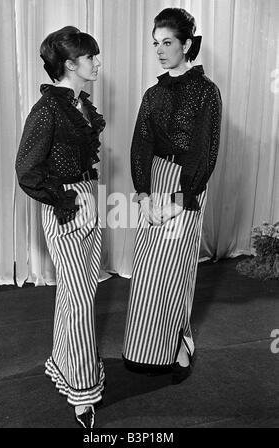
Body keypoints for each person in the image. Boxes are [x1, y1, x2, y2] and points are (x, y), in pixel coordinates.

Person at [123, 8, 222, 384]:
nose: (161, 51)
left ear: (186, 45)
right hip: (157, 181)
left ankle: (178, 344)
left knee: (174, 270)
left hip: (188, 185)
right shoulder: (153, 94)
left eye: (167, 43)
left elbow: (206, 150)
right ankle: (144, 349)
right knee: (148, 269)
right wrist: (144, 194)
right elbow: (140, 145)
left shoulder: (206, 92)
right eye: (156, 44)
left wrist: (181, 198)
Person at [15, 26, 105, 428]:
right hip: (65, 206)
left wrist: (87, 196)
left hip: (89, 197)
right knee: (82, 297)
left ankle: (63, 365)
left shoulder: (78, 104)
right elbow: (27, 172)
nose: (98, 63)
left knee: (77, 293)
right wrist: (67, 201)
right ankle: (83, 392)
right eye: (91, 57)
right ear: (70, 64)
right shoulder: (48, 109)